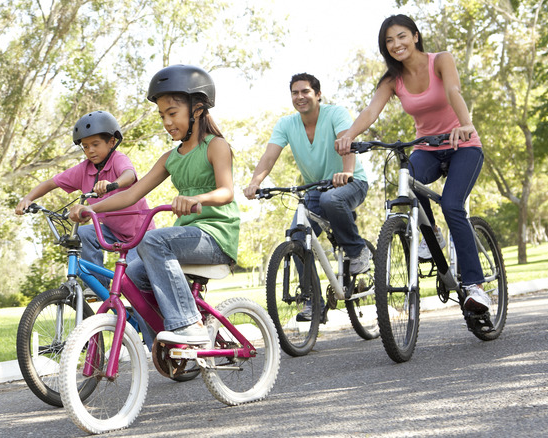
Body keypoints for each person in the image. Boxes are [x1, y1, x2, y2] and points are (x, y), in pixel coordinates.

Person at [70, 64, 239, 345]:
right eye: (162, 116)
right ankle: (161, 345)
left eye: (172, 113)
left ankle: (188, 324)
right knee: (131, 277)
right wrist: (92, 208)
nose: (167, 122)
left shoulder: (215, 146)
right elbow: (131, 194)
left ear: (197, 110)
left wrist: (196, 199)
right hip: (186, 237)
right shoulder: (170, 157)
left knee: (151, 241)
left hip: (216, 235)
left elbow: (226, 192)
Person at [335, 14, 491, 313]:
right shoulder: (393, 79)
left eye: (401, 36)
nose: (396, 44)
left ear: (415, 36)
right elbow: (371, 111)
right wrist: (349, 136)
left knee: (453, 205)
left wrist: (466, 124)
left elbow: (453, 91)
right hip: (428, 148)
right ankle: (431, 233)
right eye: (389, 41)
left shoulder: (440, 60)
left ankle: (475, 286)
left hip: (463, 145)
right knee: (408, 174)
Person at [243, 72, 370, 320]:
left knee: (331, 199)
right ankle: (314, 303)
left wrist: (346, 171)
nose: (299, 97)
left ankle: (357, 251)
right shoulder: (286, 125)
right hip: (316, 188)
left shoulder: (335, 113)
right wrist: (255, 182)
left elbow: (347, 141)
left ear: (318, 94)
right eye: (295, 93)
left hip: (351, 182)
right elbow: (270, 156)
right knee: (298, 238)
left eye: (305, 92)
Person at [15, 110, 154, 290]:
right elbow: (51, 183)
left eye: (95, 144)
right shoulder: (83, 170)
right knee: (83, 233)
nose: (90, 150)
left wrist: (113, 184)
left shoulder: (118, 159)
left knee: (134, 282)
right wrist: (28, 198)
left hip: (141, 234)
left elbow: (129, 175)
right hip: (112, 231)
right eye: (85, 146)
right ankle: (97, 286)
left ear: (112, 141)